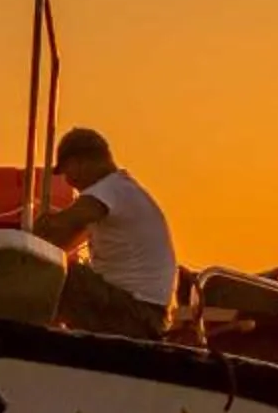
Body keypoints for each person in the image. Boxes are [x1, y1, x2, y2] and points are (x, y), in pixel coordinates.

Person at [33, 126, 178, 339]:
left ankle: (34, 339)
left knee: (62, 275)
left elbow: (63, 224)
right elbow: (60, 243)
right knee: (59, 268)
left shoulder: (108, 190)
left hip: (136, 313)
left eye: (67, 171)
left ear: (80, 162)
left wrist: (38, 225)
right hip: (147, 315)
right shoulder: (121, 193)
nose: (69, 182)